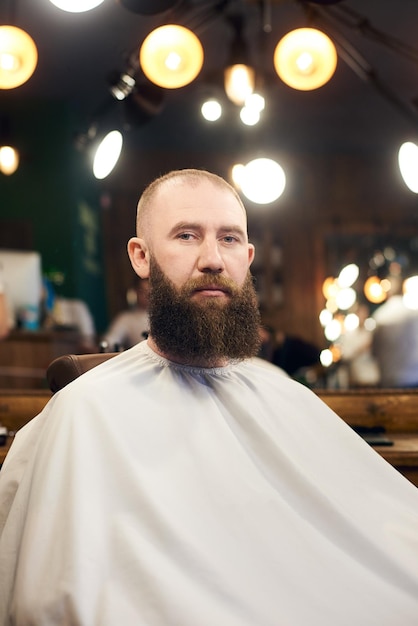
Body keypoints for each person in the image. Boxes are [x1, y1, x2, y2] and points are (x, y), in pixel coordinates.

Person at [0, 169, 418, 625]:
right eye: (186, 235)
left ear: (249, 256)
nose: (213, 259)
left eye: (230, 239)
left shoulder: (282, 391)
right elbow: (53, 599)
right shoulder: (86, 410)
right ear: (141, 256)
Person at [101, 278, 149, 351]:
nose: (147, 296)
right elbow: (110, 342)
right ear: (135, 292)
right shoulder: (126, 318)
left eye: (150, 291)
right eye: (143, 291)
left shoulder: (166, 315)